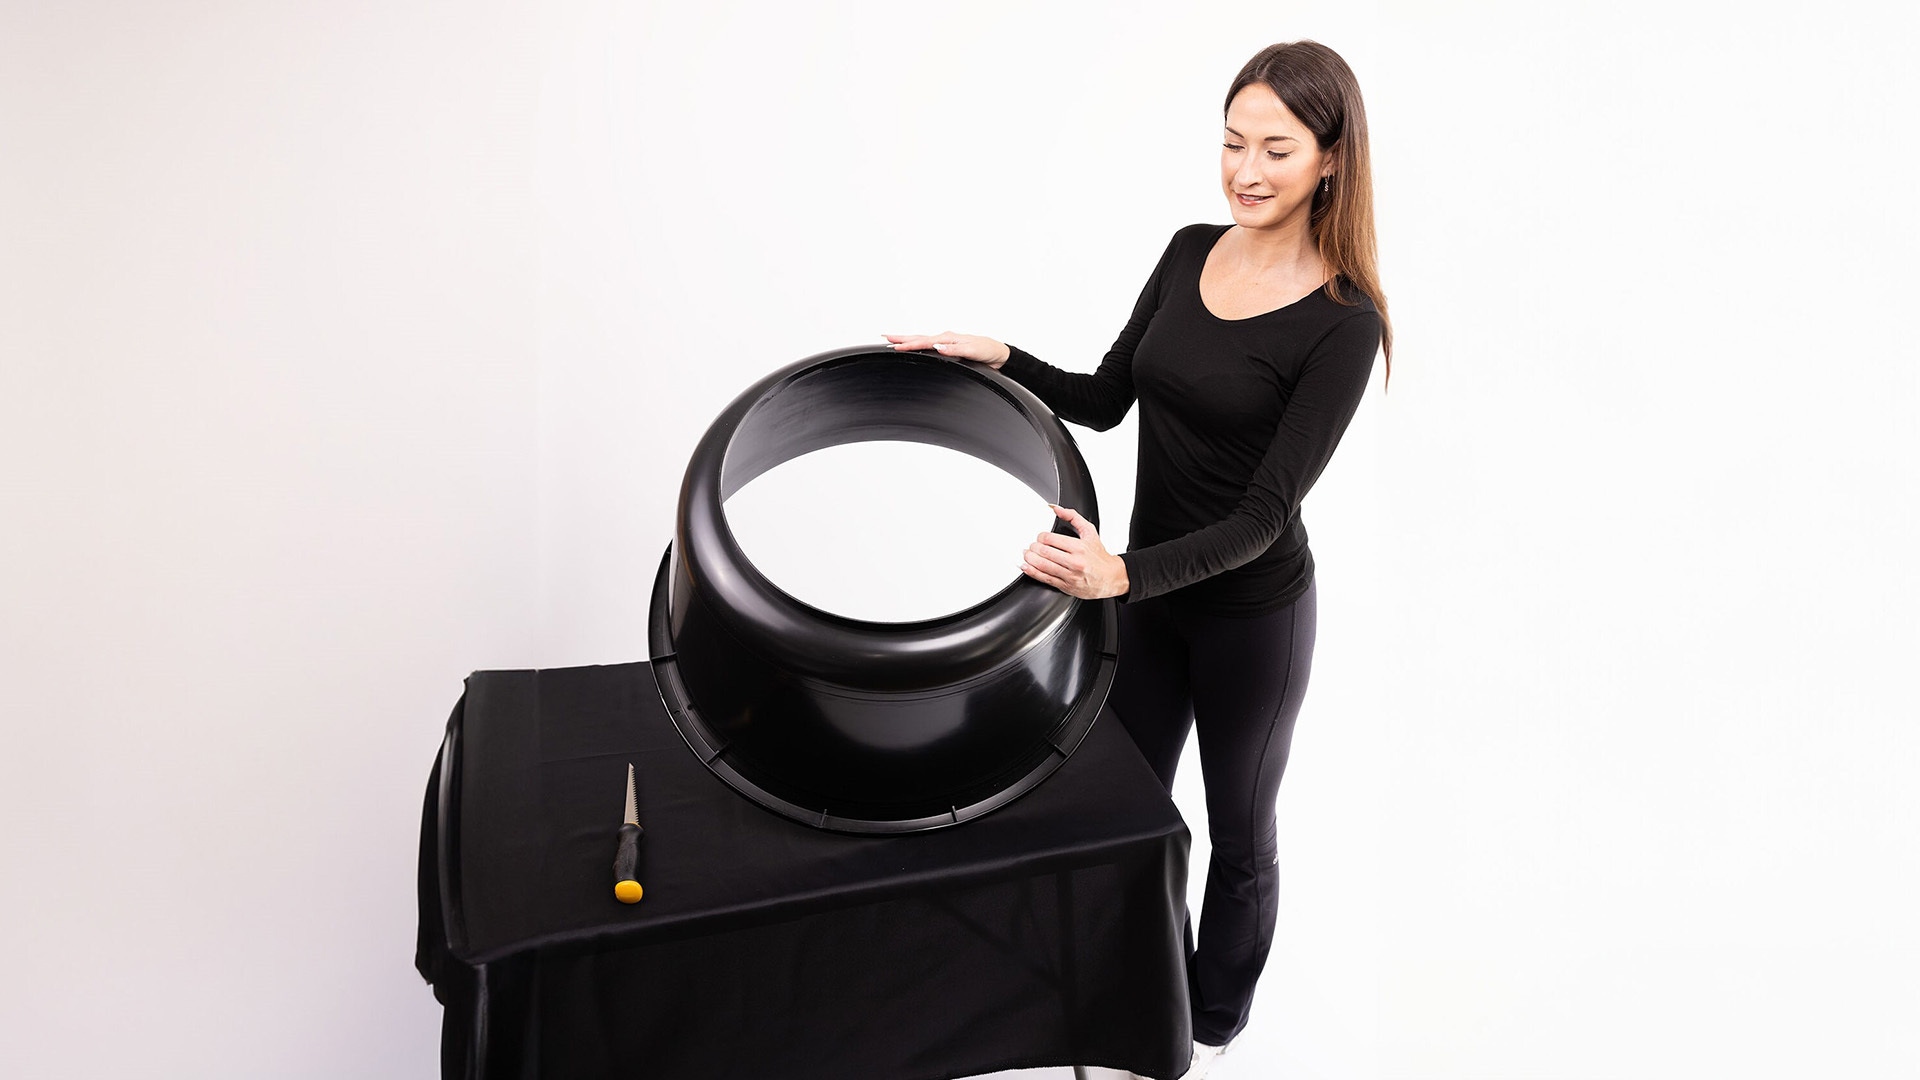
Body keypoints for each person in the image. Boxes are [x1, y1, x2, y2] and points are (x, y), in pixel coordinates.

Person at [887, 40, 1391, 1080]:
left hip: (1253, 620)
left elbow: (1263, 514)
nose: (1245, 171)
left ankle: (1206, 1026)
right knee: (1122, 810)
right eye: (1231, 143)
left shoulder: (1344, 325)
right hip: (1149, 602)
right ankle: (1109, 988)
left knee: (1239, 835)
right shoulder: (1185, 250)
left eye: (1276, 151)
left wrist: (1123, 573)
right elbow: (1111, 395)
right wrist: (1005, 360)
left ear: (1331, 161)